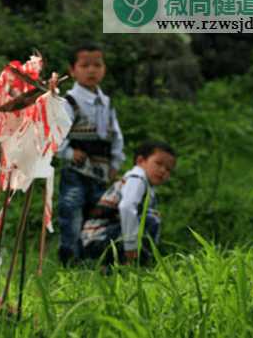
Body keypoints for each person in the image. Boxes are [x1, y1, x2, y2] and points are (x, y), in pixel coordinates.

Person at [57, 42, 125, 265]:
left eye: (97, 65)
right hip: (76, 173)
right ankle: (69, 260)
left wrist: (115, 162)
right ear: (72, 70)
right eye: (85, 65)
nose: (91, 70)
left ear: (104, 68)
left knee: (96, 217)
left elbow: (115, 136)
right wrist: (67, 152)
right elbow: (55, 134)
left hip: (101, 173)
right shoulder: (69, 102)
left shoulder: (106, 102)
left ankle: (92, 260)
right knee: (72, 214)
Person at [80, 141, 177, 265]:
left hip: (103, 237)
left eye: (168, 169)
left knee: (150, 218)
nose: (163, 171)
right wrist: (131, 245)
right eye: (158, 163)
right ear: (140, 161)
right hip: (98, 238)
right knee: (150, 220)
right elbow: (126, 207)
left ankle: (122, 266)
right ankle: (136, 263)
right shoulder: (137, 179)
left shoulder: (143, 184)